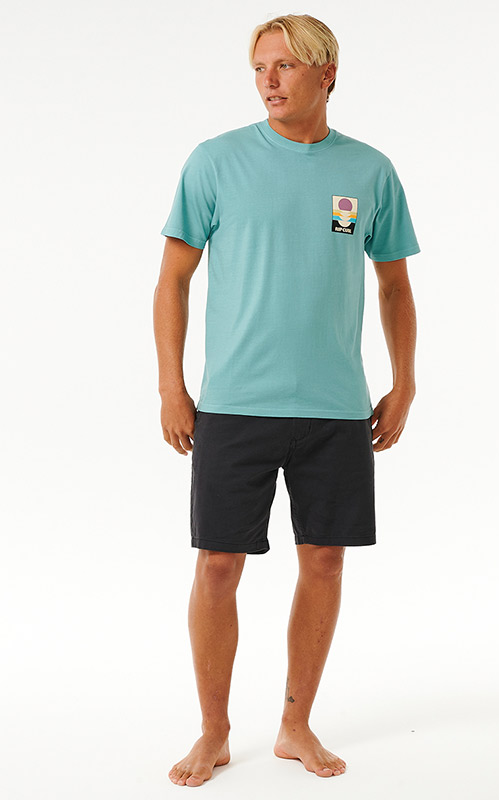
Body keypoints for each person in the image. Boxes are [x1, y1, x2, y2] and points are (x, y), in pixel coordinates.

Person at [153, 13, 420, 787]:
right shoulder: (216, 161)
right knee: (217, 567)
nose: (269, 80)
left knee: (325, 561)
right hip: (235, 403)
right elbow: (173, 279)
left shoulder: (369, 171)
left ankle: (295, 725)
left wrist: (405, 381)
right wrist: (171, 385)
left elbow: (394, 286)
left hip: (335, 407)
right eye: (260, 67)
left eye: (286, 66)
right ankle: (213, 731)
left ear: (326, 73)